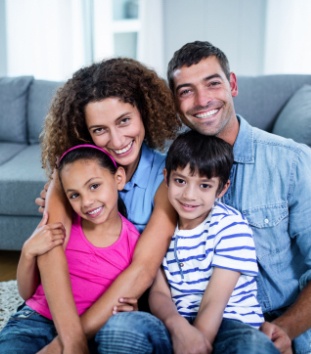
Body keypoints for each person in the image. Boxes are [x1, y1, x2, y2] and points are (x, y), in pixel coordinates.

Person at [165, 41, 311, 354]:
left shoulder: (292, 161)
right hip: (191, 324)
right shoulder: (168, 167)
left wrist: (287, 328)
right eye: (186, 90)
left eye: (213, 84)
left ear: (232, 85)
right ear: (176, 103)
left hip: (272, 322)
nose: (202, 100)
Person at [31, 58, 180, 353]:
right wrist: (69, 336)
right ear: (86, 131)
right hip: (56, 310)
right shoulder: (68, 175)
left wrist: (68, 343)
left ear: (144, 113)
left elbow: (143, 268)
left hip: (121, 311)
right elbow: (50, 249)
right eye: (100, 130)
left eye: (124, 121)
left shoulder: (168, 178)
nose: (117, 140)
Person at [0, 144, 140, 353]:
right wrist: (28, 253)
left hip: (91, 331)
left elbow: (128, 296)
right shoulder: (61, 230)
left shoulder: (134, 242)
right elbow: (27, 292)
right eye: (74, 195)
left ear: (118, 178)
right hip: (36, 321)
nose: (87, 202)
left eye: (94, 186)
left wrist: (132, 310)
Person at [149, 130, 267, 353]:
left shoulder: (230, 226)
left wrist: (196, 343)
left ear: (222, 189)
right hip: (179, 324)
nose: (189, 195)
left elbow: (215, 302)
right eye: (180, 181)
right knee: (132, 328)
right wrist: (179, 328)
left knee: (251, 345)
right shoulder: (161, 228)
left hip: (230, 323)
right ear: (166, 178)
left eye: (204, 185)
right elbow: (159, 292)